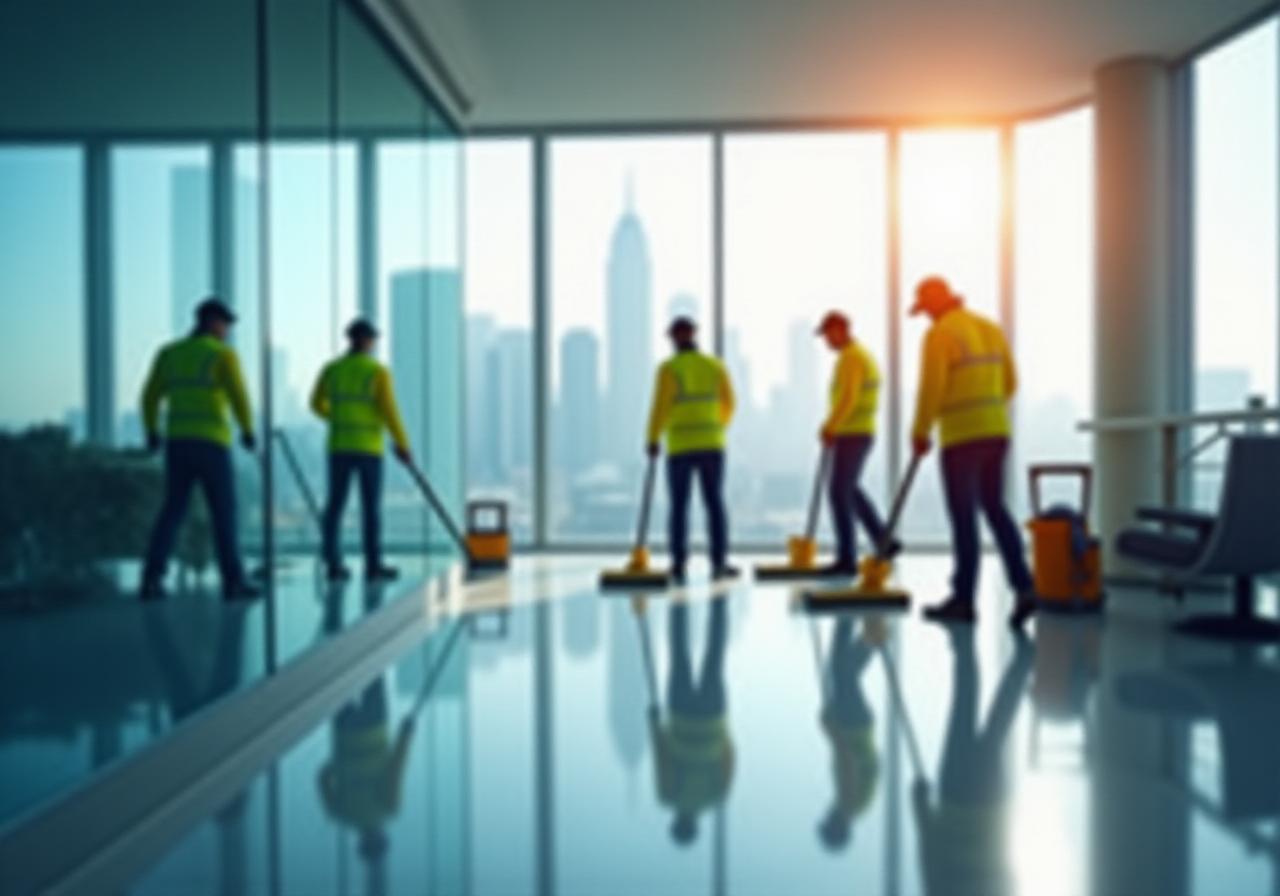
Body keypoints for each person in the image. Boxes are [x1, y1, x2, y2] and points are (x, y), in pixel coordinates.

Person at [908, 277, 1037, 629]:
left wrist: (920, 431)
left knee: (963, 518)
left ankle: (963, 600)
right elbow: (1011, 382)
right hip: (996, 433)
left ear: (935, 303)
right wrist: (988, 409)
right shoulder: (990, 328)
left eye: (925, 309)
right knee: (995, 510)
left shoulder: (939, 334)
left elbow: (931, 388)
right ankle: (1025, 586)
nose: (926, 316)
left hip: (962, 438)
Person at [140, 297, 260, 602]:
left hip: (177, 443)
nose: (227, 331)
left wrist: (152, 431)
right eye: (225, 324)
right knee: (223, 513)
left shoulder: (169, 354)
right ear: (212, 322)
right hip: (211, 444)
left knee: (172, 510)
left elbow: (149, 396)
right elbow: (239, 397)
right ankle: (233, 581)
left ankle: (152, 578)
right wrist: (247, 430)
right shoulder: (222, 355)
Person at [913, 628, 1034, 895]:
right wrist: (921, 808)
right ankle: (964, 642)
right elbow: (931, 860)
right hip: (956, 802)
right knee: (964, 708)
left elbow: (1010, 877)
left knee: (996, 729)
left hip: (991, 811)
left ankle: (1023, 661)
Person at [311, 319, 412, 583]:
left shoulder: (332, 370)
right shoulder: (377, 372)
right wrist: (402, 444)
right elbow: (390, 412)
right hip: (368, 449)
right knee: (370, 510)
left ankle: (333, 564)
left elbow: (315, 404)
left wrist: (336, 417)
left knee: (335, 506)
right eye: (373, 339)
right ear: (367, 341)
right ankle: (373, 566)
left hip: (339, 447)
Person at [645, 317, 736, 584]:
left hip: (681, 445)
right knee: (714, 504)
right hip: (712, 444)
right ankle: (719, 563)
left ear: (672, 338)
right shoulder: (715, 366)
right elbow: (730, 402)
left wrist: (652, 438)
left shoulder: (669, 369)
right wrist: (717, 425)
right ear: (694, 334)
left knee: (679, 506)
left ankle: (678, 564)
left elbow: (660, 406)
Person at [816, 311, 898, 574]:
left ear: (840, 330)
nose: (826, 341)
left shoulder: (851, 358)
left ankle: (847, 559)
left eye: (828, 335)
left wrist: (830, 426)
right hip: (859, 431)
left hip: (852, 432)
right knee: (849, 490)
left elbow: (848, 398)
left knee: (838, 492)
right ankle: (884, 541)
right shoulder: (861, 355)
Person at [651, 598, 735, 846]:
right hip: (682, 718)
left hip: (711, 720)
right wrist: (655, 724)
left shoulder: (716, 797)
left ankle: (719, 602)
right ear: (675, 821)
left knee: (715, 655)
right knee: (679, 652)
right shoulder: (667, 796)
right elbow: (663, 758)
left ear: (696, 824)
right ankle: (679, 591)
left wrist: (723, 733)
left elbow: (728, 758)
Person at [816, 616, 883, 851]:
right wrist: (831, 731)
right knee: (841, 672)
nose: (826, 814)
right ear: (836, 824)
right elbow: (848, 761)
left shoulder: (858, 807)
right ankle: (850, 619)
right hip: (854, 729)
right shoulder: (848, 804)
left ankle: (869, 634)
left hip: (860, 729)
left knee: (845, 672)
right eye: (827, 820)